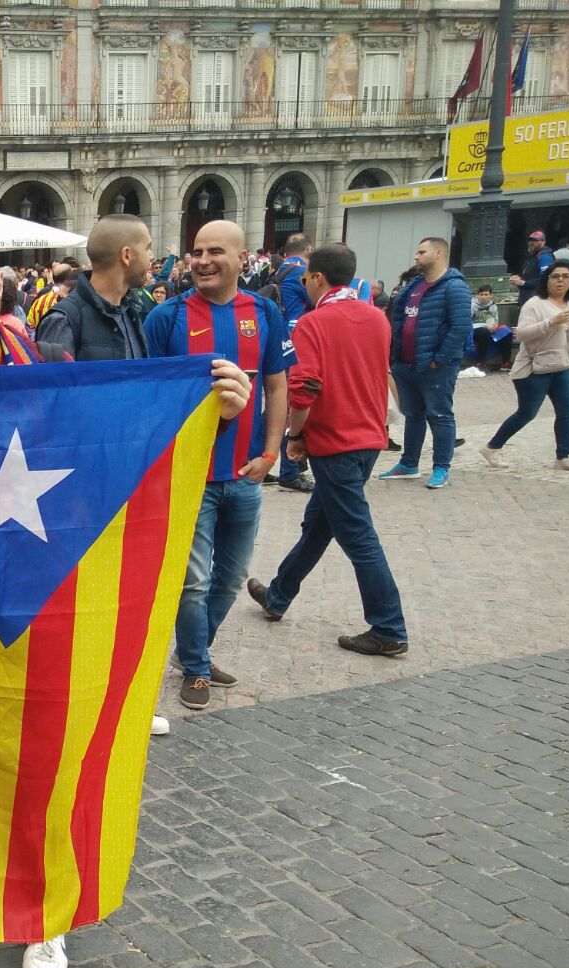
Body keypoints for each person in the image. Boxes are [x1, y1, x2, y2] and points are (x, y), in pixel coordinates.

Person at [0, 219, 249, 968]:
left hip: (46, 590)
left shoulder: (53, 367)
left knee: (41, 751)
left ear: (0, 282)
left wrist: (205, 410)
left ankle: (42, 913)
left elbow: (118, 451)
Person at [35, 213, 255, 738]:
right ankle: (77, 709)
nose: (157, 256)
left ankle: (124, 702)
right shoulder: (66, 320)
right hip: (81, 495)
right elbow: (52, 411)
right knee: (83, 612)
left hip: (130, 485)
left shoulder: (134, 313)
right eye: (150, 247)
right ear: (128, 256)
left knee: (129, 604)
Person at [143, 220, 293, 711]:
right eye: (196, 252)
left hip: (246, 475)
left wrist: (270, 453)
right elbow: (151, 399)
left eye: (214, 252)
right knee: (195, 580)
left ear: (241, 257)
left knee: (230, 579)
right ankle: (198, 668)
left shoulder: (266, 312)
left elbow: (276, 385)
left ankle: (193, 654)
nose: (203, 260)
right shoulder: (166, 318)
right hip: (192, 478)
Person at [244, 242, 408, 657]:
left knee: (357, 534)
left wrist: (295, 436)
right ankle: (279, 594)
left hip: (336, 441)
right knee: (320, 525)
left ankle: (388, 625)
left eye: (306, 279)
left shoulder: (315, 323)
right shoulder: (377, 318)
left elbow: (305, 388)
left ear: (317, 278)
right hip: (369, 439)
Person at [479, 261, 569, 473]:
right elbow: (521, 334)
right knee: (526, 413)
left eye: (565, 276)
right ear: (546, 280)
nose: (560, 281)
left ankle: (563, 456)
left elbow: (568, 333)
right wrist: (551, 322)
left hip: (563, 366)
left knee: (568, 411)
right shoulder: (535, 304)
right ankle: (492, 447)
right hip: (534, 369)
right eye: (555, 276)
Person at [382, 237, 471, 490]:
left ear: (439, 253)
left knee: (440, 414)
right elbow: (398, 321)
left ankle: (441, 466)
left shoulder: (455, 287)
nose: (416, 257)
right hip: (406, 364)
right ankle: (409, 463)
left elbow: (460, 327)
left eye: (422, 252)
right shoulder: (414, 286)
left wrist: (440, 359)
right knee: (413, 415)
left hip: (435, 367)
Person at [267, 234, 315, 495]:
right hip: (297, 340)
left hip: (279, 339)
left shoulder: (278, 270)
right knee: (291, 405)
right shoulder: (302, 272)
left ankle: (256, 457)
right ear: (307, 250)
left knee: (273, 407)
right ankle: (290, 470)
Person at [470, 285, 511, 372]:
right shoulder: (471, 305)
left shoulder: (493, 306)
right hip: (475, 329)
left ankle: (505, 362)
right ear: (477, 295)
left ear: (491, 295)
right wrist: (484, 326)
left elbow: (496, 320)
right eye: (481, 294)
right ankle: (481, 362)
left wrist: (495, 326)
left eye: (486, 294)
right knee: (484, 332)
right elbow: (467, 321)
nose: (483, 297)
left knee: (506, 332)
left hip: (491, 328)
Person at [509, 230, 554, 294]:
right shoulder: (533, 256)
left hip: (537, 296)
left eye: (536, 240)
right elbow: (531, 275)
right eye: (530, 240)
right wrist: (519, 278)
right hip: (527, 295)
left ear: (543, 242)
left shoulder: (545, 257)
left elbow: (545, 279)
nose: (531, 243)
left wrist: (523, 283)